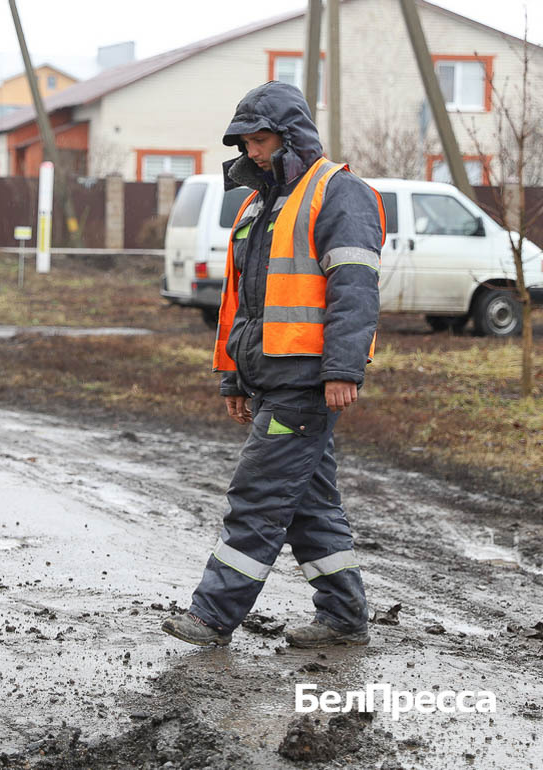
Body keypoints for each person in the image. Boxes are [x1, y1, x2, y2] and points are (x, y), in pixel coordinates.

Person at [161, 81, 385, 649]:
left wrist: (342, 369)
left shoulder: (339, 193)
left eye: (259, 141)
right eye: (245, 144)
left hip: (307, 381)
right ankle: (343, 618)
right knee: (310, 510)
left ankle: (211, 616)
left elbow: (353, 290)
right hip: (269, 377)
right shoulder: (261, 203)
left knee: (258, 495)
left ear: (291, 137)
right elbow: (244, 303)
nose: (250, 153)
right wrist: (233, 377)